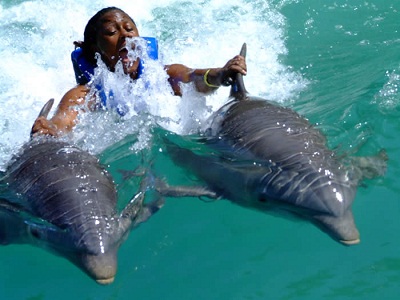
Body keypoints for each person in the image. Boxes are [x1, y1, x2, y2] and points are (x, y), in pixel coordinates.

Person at [31, 6, 247, 137]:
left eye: (129, 28)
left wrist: (221, 75)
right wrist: (50, 128)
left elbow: (193, 79)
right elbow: (64, 120)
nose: (125, 36)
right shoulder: (87, 93)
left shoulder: (162, 74)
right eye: (112, 32)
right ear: (95, 48)